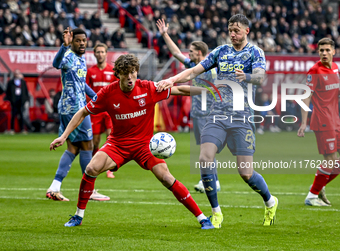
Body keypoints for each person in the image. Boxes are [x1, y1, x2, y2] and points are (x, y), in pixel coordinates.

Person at [50, 54, 215, 230]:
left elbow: (181, 90)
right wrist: (64, 136)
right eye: (125, 73)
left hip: (145, 146)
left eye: (133, 72)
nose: (130, 77)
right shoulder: (107, 93)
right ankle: (78, 216)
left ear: (137, 71)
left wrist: (209, 90)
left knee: (166, 177)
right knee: (91, 169)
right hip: (118, 144)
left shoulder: (149, 88)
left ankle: (202, 218)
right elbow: (83, 112)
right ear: (118, 74)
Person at [157, 14, 279, 228]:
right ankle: (216, 212)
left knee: (246, 173)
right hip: (217, 116)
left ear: (246, 31)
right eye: (230, 30)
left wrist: (247, 76)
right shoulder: (220, 52)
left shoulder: (255, 52)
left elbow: (260, 77)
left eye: (237, 30)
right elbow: (194, 70)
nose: (233, 34)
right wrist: (171, 80)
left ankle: (270, 201)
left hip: (241, 118)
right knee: (205, 158)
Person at [156, 18, 222, 224]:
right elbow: (176, 53)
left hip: (209, 114)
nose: (189, 54)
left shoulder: (209, 70)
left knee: (206, 149)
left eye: (192, 51)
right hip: (198, 114)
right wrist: (165, 34)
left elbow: (208, 90)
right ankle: (210, 179)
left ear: (200, 53)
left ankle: (213, 181)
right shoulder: (194, 66)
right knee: (203, 149)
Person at [46, 27, 110, 202]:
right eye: (78, 40)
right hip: (75, 108)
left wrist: (97, 97)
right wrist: (63, 46)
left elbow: (82, 85)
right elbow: (56, 64)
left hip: (75, 107)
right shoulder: (68, 56)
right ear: (72, 41)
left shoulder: (82, 60)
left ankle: (54, 188)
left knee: (73, 149)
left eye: (84, 40)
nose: (82, 43)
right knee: (88, 146)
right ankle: (89, 190)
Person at [298, 38, 340, 206]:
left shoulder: (336, 68)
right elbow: (305, 96)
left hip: (336, 120)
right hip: (322, 121)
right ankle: (312, 196)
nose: (324, 53)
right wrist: (303, 123)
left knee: (335, 163)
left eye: (327, 50)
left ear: (333, 52)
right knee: (331, 159)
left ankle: (318, 186)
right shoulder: (314, 71)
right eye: (321, 50)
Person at [86, 43, 119, 179]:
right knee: (95, 141)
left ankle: (109, 169)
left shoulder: (112, 71)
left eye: (102, 52)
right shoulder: (90, 72)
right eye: (98, 52)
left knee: (110, 138)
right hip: (96, 111)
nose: (100, 54)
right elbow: (86, 90)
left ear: (106, 54)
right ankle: (96, 164)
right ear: (94, 54)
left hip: (110, 111)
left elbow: (118, 89)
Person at [5, 69, 31, 134]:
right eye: (16, 74)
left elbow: (25, 91)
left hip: (21, 101)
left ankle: (22, 129)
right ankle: (12, 129)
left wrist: (25, 100)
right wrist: (10, 99)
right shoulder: (11, 82)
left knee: (21, 115)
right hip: (14, 101)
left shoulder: (22, 82)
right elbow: (8, 92)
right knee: (13, 115)